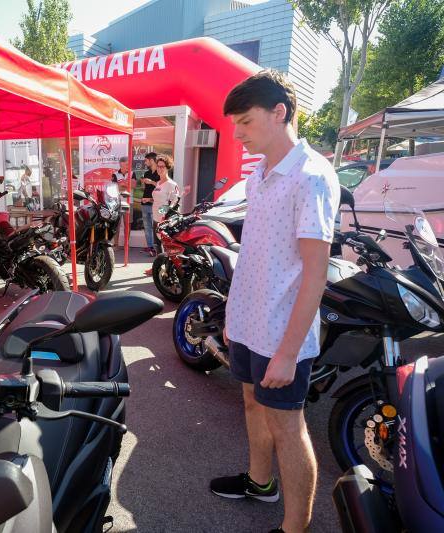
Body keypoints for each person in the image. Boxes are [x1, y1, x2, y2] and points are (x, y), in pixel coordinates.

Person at [210, 70, 339, 533]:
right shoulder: (260, 174)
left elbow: (315, 273)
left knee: (288, 427)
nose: (238, 133)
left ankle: (294, 529)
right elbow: (255, 254)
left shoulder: (312, 177)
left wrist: (288, 352)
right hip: (248, 322)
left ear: (279, 112)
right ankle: (260, 483)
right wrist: (233, 314)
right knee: (250, 405)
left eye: (245, 121)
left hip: (283, 333)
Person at [139, 152, 158, 256]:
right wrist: (143, 182)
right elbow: (145, 188)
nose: (145, 163)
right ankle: (151, 248)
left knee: (157, 227)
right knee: (147, 227)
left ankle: (159, 249)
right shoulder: (146, 173)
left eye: (146, 161)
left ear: (151, 160)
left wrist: (151, 182)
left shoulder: (160, 173)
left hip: (155, 204)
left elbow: (161, 188)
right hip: (145, 203)